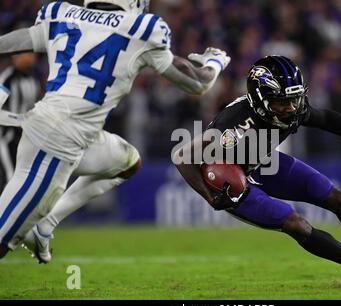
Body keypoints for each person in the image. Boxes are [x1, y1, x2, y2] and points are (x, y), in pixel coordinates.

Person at [0, 0, 230, 262]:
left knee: (127, 162)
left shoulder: (61, 14)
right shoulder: (140, 28)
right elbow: (197, 83)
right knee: (2, 238)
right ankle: (35, 223)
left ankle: (47, 224)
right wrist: (215, 62)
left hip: (68, 131)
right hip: (56, 141)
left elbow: (18, 40)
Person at [174, 56, 341, 287]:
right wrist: (211, 197)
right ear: (260, 98)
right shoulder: (234, 124)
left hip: (262, 162)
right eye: (282, 102)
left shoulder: (291, 106)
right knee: (297, 224)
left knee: (336, 197)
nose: (292, 108)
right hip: (232, 183)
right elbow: (183, 156)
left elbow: (326, 119)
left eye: (294, 99)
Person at [0, 52, 40, 192]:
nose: (31, 57)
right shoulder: (8, 78)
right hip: (7, 138)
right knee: (9, 179)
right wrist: (18, 121)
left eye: (32, 54)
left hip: (26, 138)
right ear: (15, 56)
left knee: (24, 181)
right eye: (27, 54)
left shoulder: (33, 79)